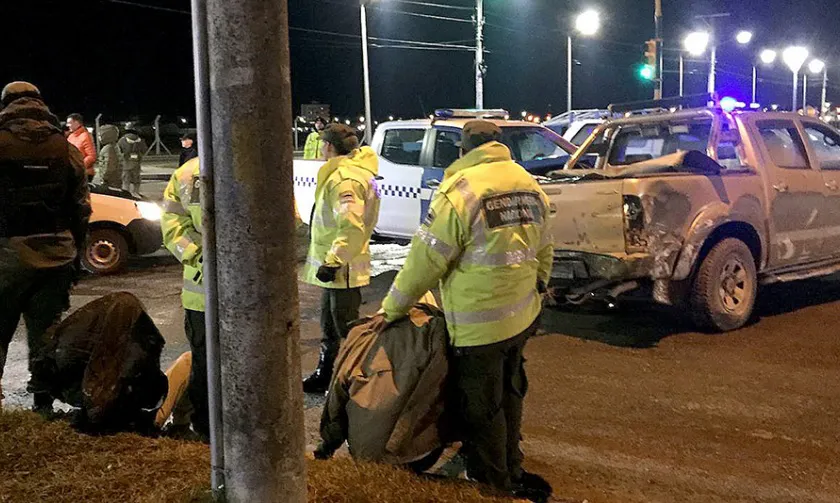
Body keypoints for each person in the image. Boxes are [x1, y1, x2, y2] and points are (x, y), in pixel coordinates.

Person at [374, 120, 554, 501]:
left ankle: (492, 482)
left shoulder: (460, 191)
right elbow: (544, 247)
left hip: (478, 323)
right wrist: (539, 285)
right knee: (510, 391)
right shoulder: (526, 181)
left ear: (464, 149)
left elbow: (425, 261)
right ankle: (511, 466)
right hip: (521, 315)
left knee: (481, 405)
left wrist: (392, 309)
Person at [0, 81, 91, 413]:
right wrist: (77, 250)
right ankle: (43, 405)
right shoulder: (64, 147)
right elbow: (81, 206)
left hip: (6, 254)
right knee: (46, 333)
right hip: (56, 254)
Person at [301, 123, 381, 393]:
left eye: (324, 144)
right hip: (337, 270)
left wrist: (334, 261)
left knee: (346, 329)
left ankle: (353, 382)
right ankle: (327, 374)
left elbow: (351, 225)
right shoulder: (353, 173)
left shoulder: (344, 179)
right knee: (329, 324)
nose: (322, 149)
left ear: (330, 147)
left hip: (341, 269)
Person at [160, 156, 209, 438]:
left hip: (201, 292)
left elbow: (173, 228)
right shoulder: (263, 162)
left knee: (205, 362)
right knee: (206, 365)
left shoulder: (185, 173)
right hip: (216, 292)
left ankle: (206, 430)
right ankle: (207, 429)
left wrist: (198, 256)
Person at [66, 113, 97, 181]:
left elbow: (91, 156)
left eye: (69, 123)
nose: (67, 125)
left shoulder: (86, 136)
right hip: (72, 173)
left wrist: (79, 167)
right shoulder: (70, 136)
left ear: (77, 123)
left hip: (84, 174)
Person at [118, 128, 148, 194]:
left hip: (126, 163)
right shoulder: (140, 140)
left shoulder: (122, 140)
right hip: (137, 163)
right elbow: (144, 150)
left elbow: (118, 150)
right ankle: (136, 193)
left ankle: (126, 194)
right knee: (136, 180)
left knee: (126, 181)